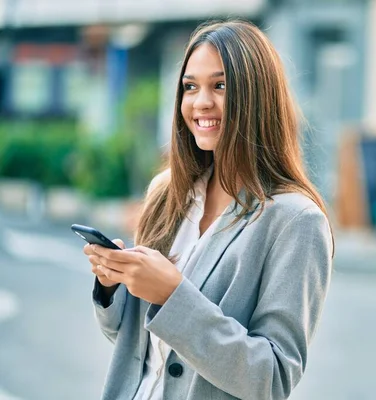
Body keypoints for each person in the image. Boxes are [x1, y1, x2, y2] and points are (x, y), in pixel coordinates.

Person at [83, 20, 334, 400]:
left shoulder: (295, 220)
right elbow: (133, 342)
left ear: (256, 97)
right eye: (190, 87)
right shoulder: (167, 193)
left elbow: (272, 379)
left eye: (220, 86)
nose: (201, 102)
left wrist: (173, 295)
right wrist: (112, 285)